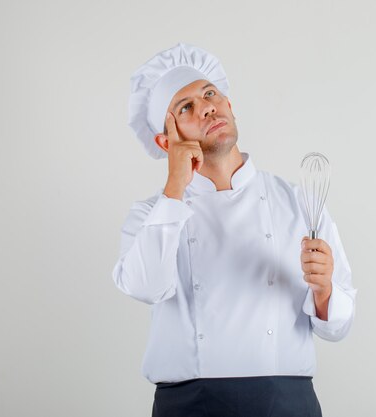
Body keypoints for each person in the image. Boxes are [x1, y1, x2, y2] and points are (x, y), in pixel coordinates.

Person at [112, 42, 357, 417]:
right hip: (190, 406)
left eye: (210, 94)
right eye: (186, 107)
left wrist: (324, 290)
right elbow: (146, 286)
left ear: (230, 105)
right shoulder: (151, 214)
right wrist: (175, 186)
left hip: (287, 403)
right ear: (166, 140)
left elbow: (338, 326)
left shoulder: (298, 203)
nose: (206, 106)